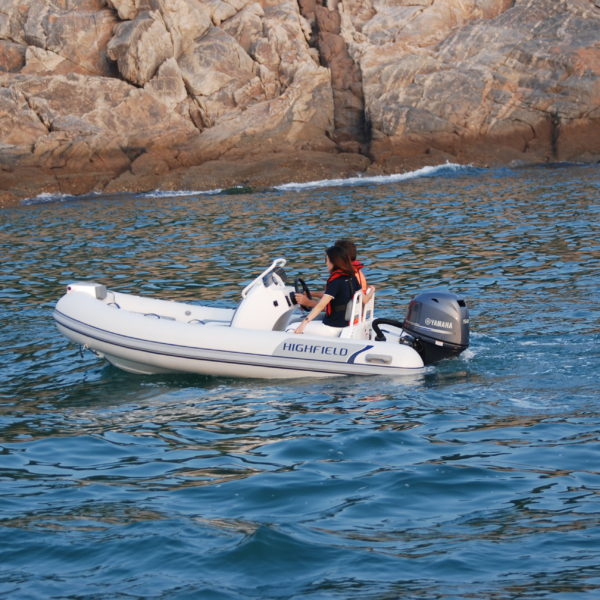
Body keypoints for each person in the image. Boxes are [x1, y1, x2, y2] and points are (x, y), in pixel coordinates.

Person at [294, 246, 360, 336]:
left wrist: (303, 323)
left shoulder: (335, 281)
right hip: (348, 323)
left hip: (334, 326)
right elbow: (363, 299)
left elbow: (321, 305)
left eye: (327, 260)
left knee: (291, 327)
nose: (326, 263)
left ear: (334, 262)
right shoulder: (352, 278)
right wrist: (372, 291)